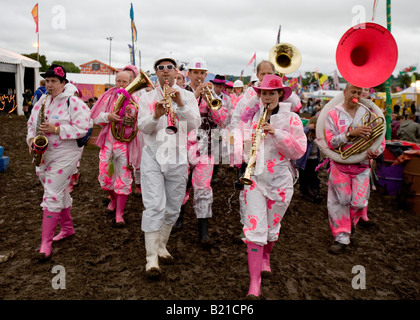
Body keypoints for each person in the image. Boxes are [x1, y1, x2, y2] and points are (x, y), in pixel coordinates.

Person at [240, 74, 306, 298]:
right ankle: (254, 283)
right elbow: (242, 146)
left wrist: (276, 133)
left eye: (271, 93)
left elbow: (298, 151)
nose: (267, 97)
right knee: (255, 229)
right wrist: (245, 146)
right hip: (255, 180)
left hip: (280, 181)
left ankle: (266, 256)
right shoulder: (252, 117)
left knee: (271, 229)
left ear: (280, 95)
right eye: (264, 93)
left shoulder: (292, 120)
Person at [137, 52, 201, 278]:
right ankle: (151, 259)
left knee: (173, 207)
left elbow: (194, 124)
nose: (165, 70)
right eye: (160, 67)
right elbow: (143, 128)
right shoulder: (146, 98)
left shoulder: (188, 96)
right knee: (154, 205)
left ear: (176, 72)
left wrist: (180, 103)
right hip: (153, 154)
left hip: (177, 155)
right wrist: (155, 115)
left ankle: (161, 245)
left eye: (169, 67)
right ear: (156, 73)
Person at [26, 64, 92, 261]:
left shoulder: (74, 102)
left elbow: (83, 128)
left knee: (52, 193)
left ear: (64, 83)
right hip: (45, 153)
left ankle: (45, 243)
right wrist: (31, 140)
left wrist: (56, 129)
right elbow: (31, 124)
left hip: (67, 153)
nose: (49, 85)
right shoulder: (42, 101)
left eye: (54, 81)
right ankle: (68, 229)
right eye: (47, 81)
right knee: (59, 190)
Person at [324, 83, 385, 254]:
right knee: (340, 201)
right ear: (344, 92)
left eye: (359, 92)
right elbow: (331, 142)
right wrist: (350, 134)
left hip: (362, 166)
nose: (356, 95)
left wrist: (376, 151)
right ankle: (341, 238)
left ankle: (350, 222)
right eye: (353, 92)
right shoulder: (333, 114)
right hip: (340, 166)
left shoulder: (369, 113)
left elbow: (380, 140)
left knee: (358, 203)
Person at [175, 57, 228, 246]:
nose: (198, 76)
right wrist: (195, 95)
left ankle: (203, 231)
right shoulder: (180, 93)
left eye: (202, 73)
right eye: (195, 72)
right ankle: (178, 218)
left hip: (205, 147)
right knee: (181, 184)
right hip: (181, 146)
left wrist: (209, 100)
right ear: (188, 74)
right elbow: (176, 115)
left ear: (206, 75)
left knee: (204, 188)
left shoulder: (214, 95)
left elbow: (222, 119)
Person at [90, 71, 143, 227]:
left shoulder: (136, 100)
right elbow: (94, 117)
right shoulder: (108, 97)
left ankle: (119, 213)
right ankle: (113, 199)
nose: (120, 84)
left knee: (123, 179)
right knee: (105, 178)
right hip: (108, 143)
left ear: (131, 82)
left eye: (124, 81)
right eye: (118, 81)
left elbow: (142, 123)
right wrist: (108, 117)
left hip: (126, 145)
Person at [210, 74, 232, 184]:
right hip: (209, 127)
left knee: (217, 153)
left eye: (220, 86)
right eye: (216, 86)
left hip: (220, 128)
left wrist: (225, 123)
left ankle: (214, 174)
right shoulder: (209, 95)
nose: (218, 88)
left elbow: (230, 112)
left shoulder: (227, 98)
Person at [296, 116, 321, 203]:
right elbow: (299, 134)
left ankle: (313, 191)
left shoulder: (317, 135)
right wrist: (308, 128)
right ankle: (304, 191)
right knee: (304, 176)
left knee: (313, 176)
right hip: (305, 160)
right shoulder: (306, 134)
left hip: (314, 159)